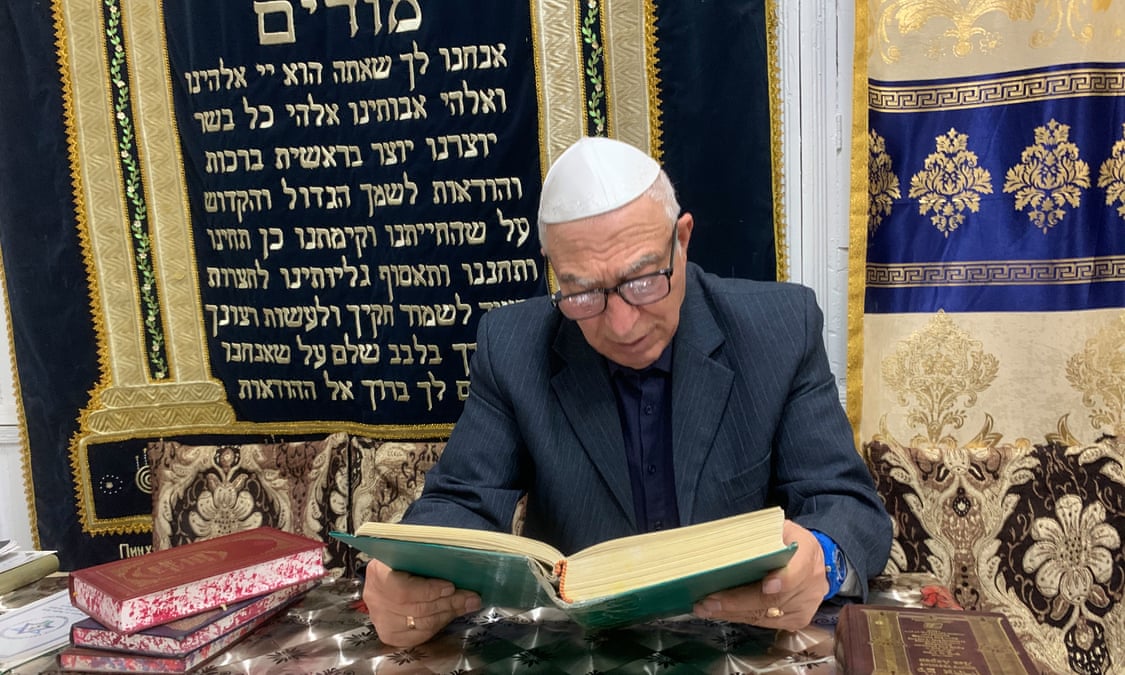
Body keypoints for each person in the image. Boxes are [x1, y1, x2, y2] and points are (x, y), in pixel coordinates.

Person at [363, 136, 892, 647]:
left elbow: (847, 505)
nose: (620, 324)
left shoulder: (778, 329)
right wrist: (407, 574)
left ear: (682, 240)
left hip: (741, 643)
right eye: (584, 292)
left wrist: (821, 560)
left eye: (642, 281)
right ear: (556, 274)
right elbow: (461, 503)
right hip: (579, 649)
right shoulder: (514, 346)